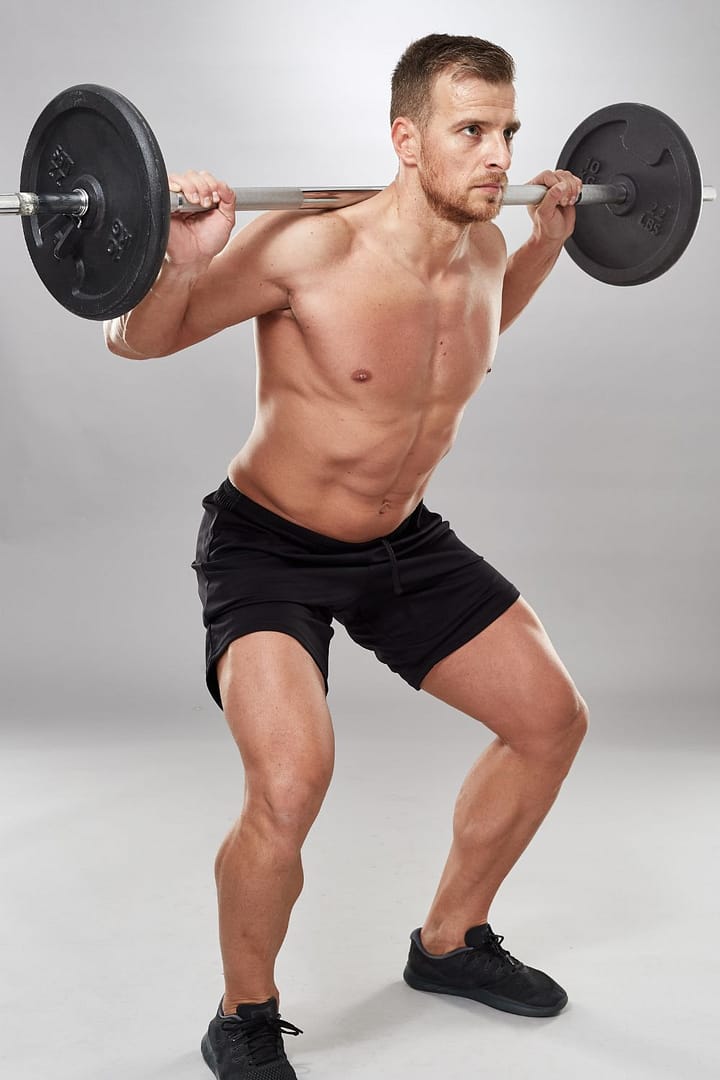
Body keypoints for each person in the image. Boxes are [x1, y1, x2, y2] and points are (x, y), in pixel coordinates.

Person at [105, 32, 589, 1080]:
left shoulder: (488, 248)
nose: (500, 155)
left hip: (402, 540)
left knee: (551, 722)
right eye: (472, 132)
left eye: (509, 130)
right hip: (269, 548)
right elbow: (133, 342)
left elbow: (468, 334)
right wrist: (177, 266)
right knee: (291, 781)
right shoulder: (307, 250)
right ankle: (243, 1013)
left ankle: (450, 943)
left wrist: (547, 242)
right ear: (406, 140)